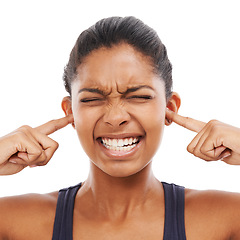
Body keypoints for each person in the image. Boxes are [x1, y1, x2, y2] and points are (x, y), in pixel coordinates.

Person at [0, 16, 240, 240]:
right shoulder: (14, 222)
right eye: (92, 99)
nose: (115, 117)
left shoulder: (226, 219)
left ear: (170, 108)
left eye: (138, 96)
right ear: (70, 113)